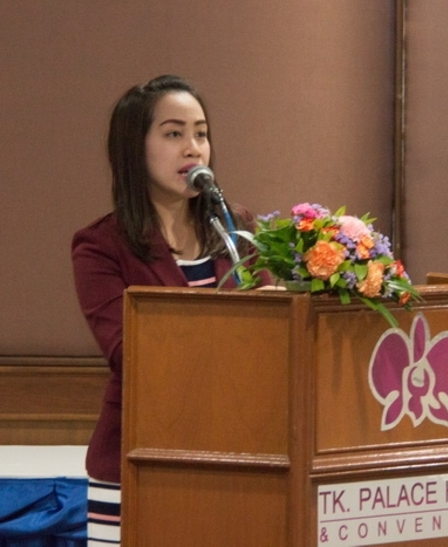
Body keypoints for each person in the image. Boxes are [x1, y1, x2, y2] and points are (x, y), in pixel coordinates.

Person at [72, 75, 267, 546]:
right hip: (138, 460)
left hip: (236, 455)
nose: (193, 149)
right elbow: (129, 352)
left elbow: (271, 327)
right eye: (174, 133)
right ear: (133, 149)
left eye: (201, 133)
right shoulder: (100, 247)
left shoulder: (235, 229)